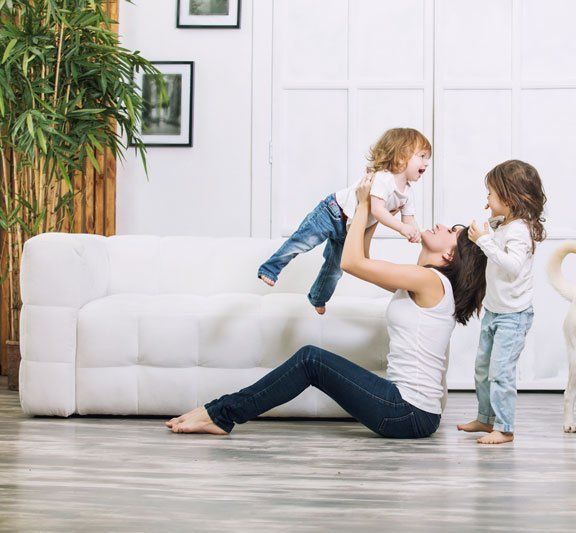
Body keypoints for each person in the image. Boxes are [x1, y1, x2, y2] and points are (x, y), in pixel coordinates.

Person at [167, 173, 487, 438]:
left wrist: (362, 205)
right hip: (410, 411)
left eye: (452, 233)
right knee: (311, 361)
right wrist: (375, 210)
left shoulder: (430, 281)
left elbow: (349, 262)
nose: (443, 225)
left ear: (449, 256)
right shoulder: (425, 281)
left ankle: (219, 414)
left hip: (408, 413)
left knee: (311, 360)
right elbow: (364, 260)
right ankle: (218, 413)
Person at [257, 128, 431, 315]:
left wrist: (416, 234)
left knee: (335, 268)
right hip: (333, 213)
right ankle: (270, 268)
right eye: (422, 156)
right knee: (302, 242)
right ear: (401, 157)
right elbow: (378, 211)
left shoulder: (407, 192)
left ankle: (318, 297)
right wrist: (402, 228)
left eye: (427, 158)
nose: (426, 163)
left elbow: (409, 219)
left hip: (350, 229)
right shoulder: (383, 179)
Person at [457, 160, 547, 444]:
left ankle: (504, 427)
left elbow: (512, 266)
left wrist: (485, 240)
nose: (487, 200)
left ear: (508, 198)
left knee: (500, 372)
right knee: (483, 369)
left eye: (490, 194)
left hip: (513, 315)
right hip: (495, 311)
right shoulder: (506, 224)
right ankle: (486, 419)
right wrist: (488, 231)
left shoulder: (519, 230)